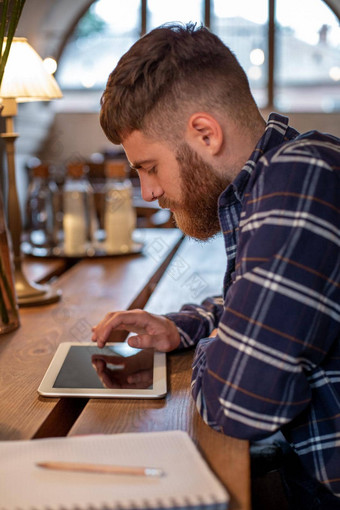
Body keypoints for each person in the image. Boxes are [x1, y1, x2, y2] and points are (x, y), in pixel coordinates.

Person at [92, 23, 340, 508]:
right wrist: (183, 327)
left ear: (204, 133)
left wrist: (219, 344)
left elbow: (242, 400)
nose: (149, 192)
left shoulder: (300, 176)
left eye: (149, 167)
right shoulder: (272, 182)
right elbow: (255, 299)